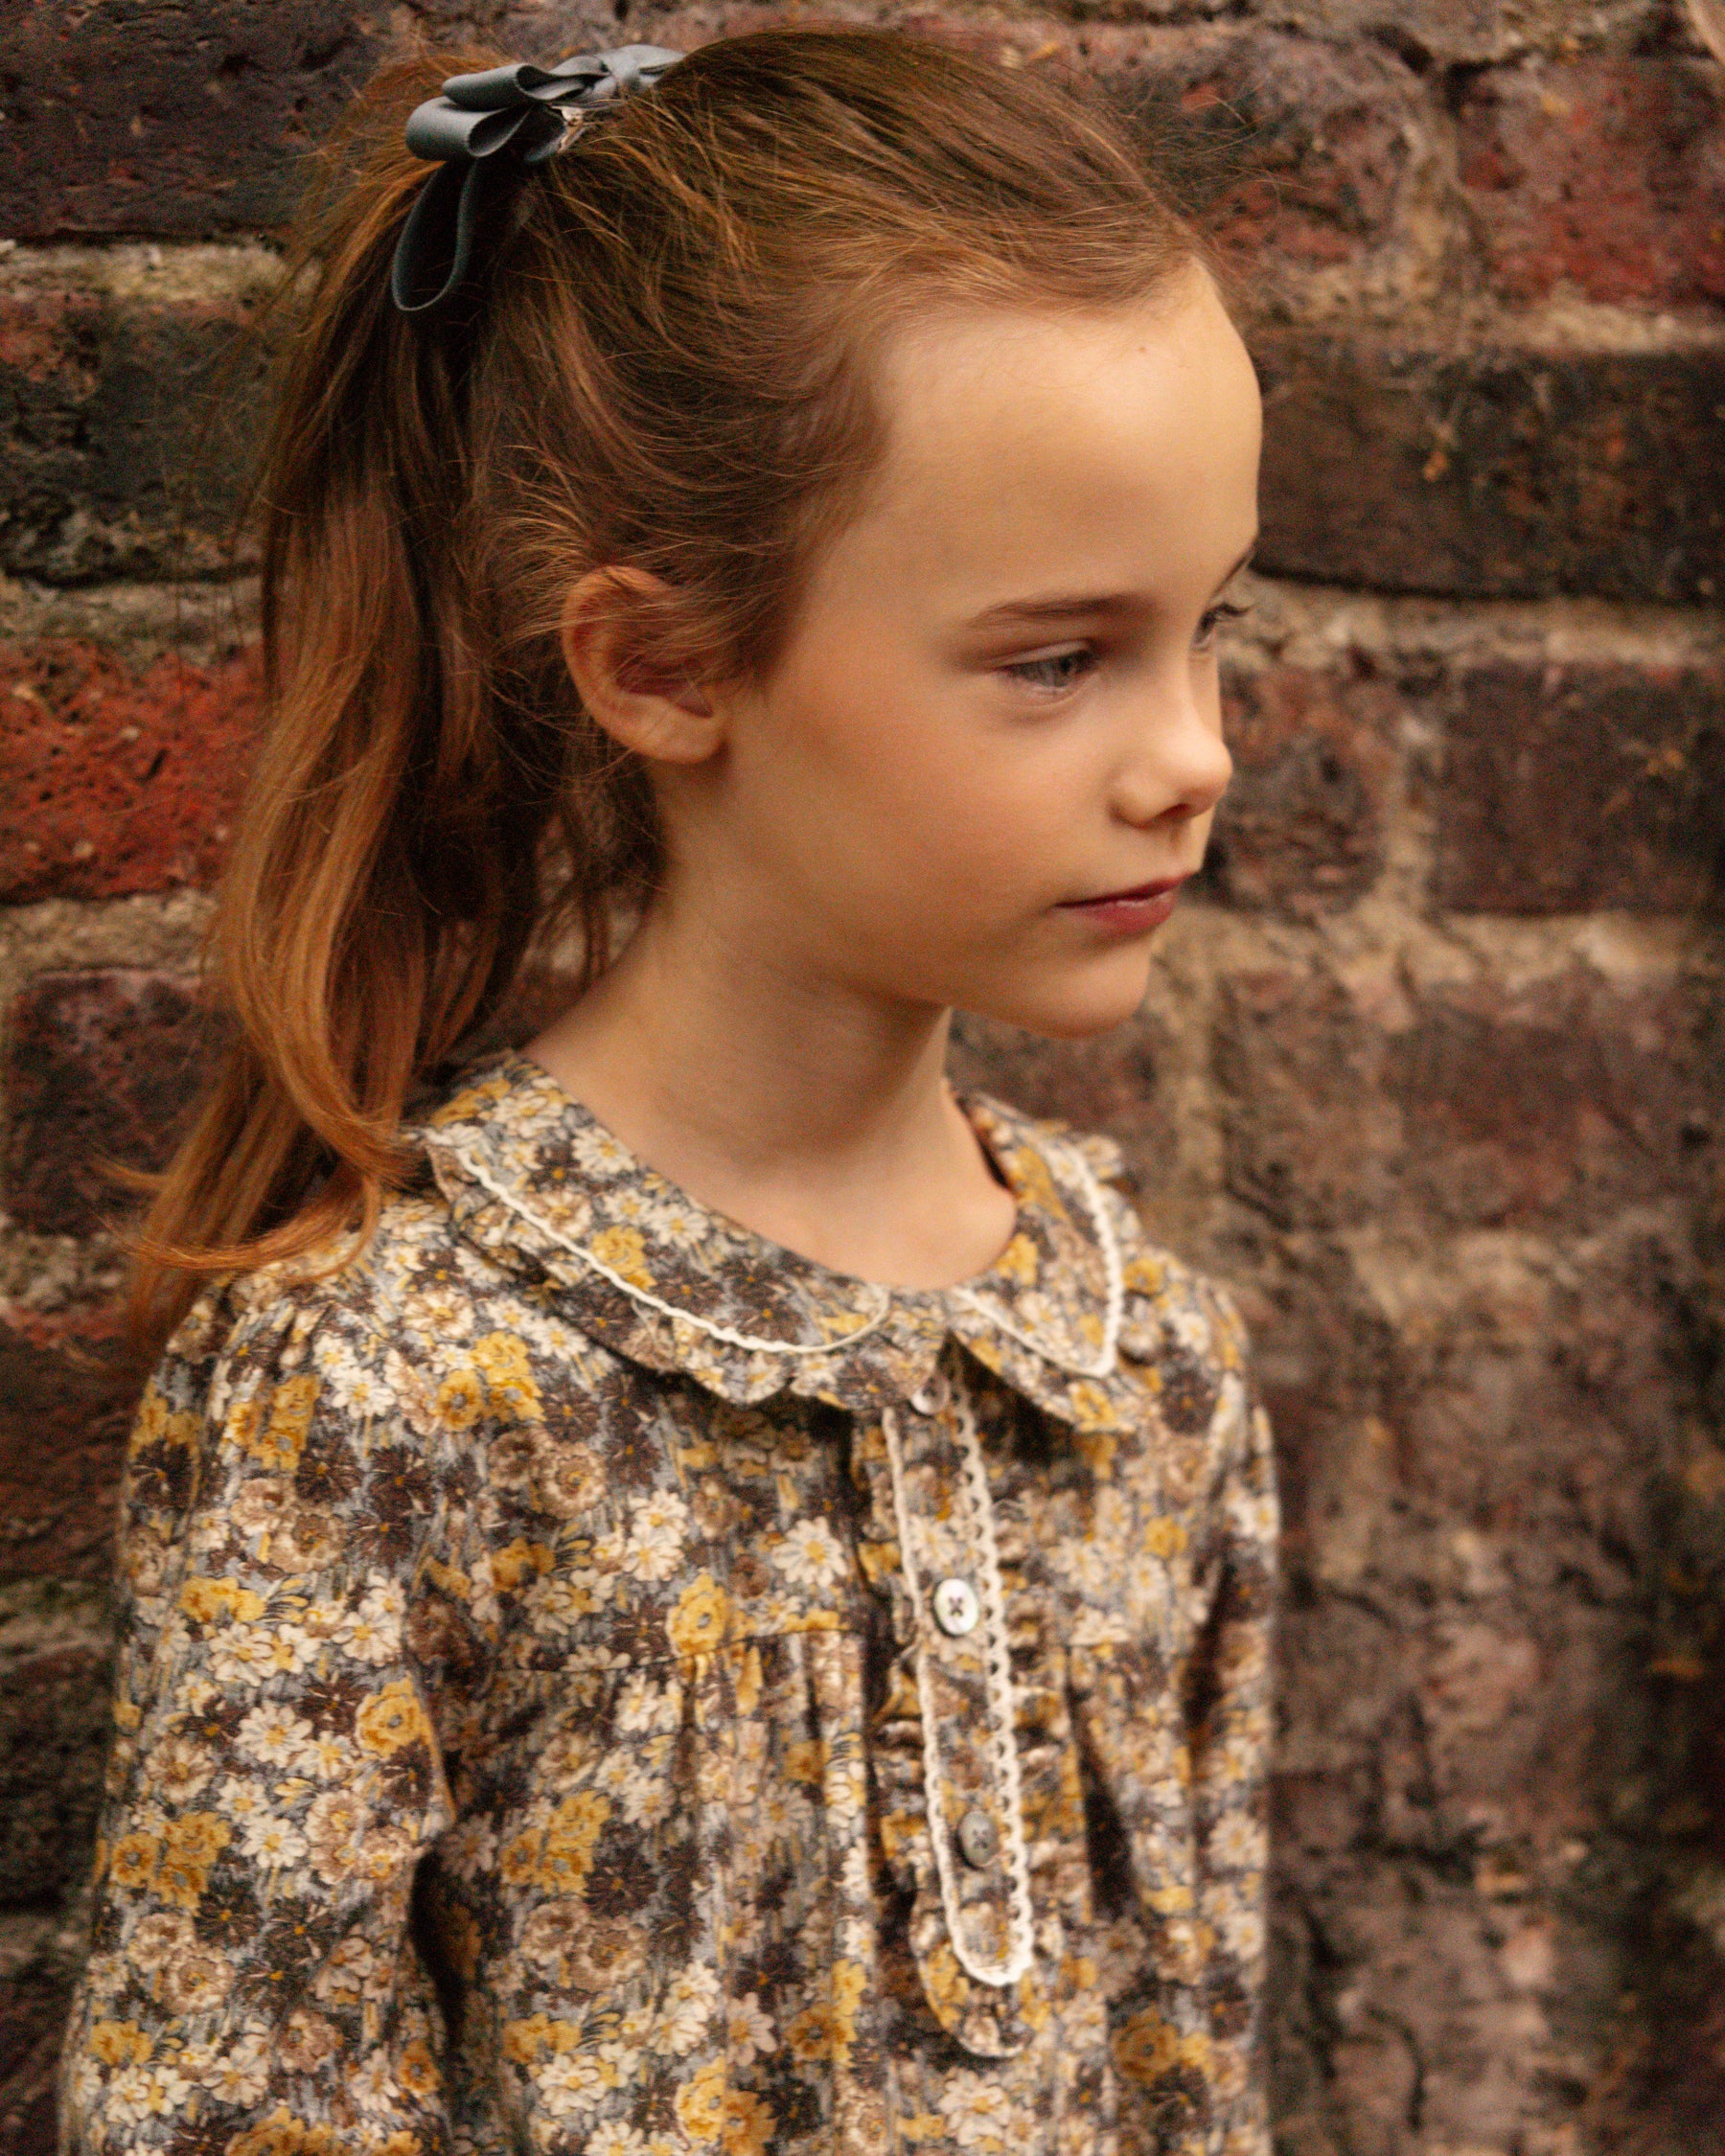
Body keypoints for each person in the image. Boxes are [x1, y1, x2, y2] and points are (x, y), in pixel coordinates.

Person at [58, 25, 1276, 2155]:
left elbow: (1195, 2066)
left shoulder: (1140, 1362)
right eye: (1059, 657)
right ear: (664, 667)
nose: (1194, 753)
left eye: (1207, 630)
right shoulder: (393, 1387)